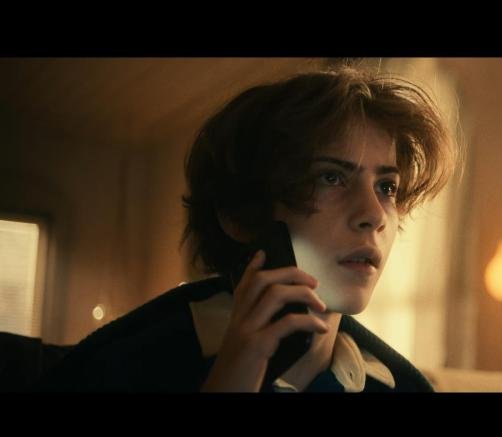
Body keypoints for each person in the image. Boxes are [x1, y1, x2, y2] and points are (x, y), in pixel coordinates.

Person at [35, 65, 457, 392]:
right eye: (331, 177)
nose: (374, 214)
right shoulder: (123, 367)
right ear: (241, 216)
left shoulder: (398, 386)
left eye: (387, 187)